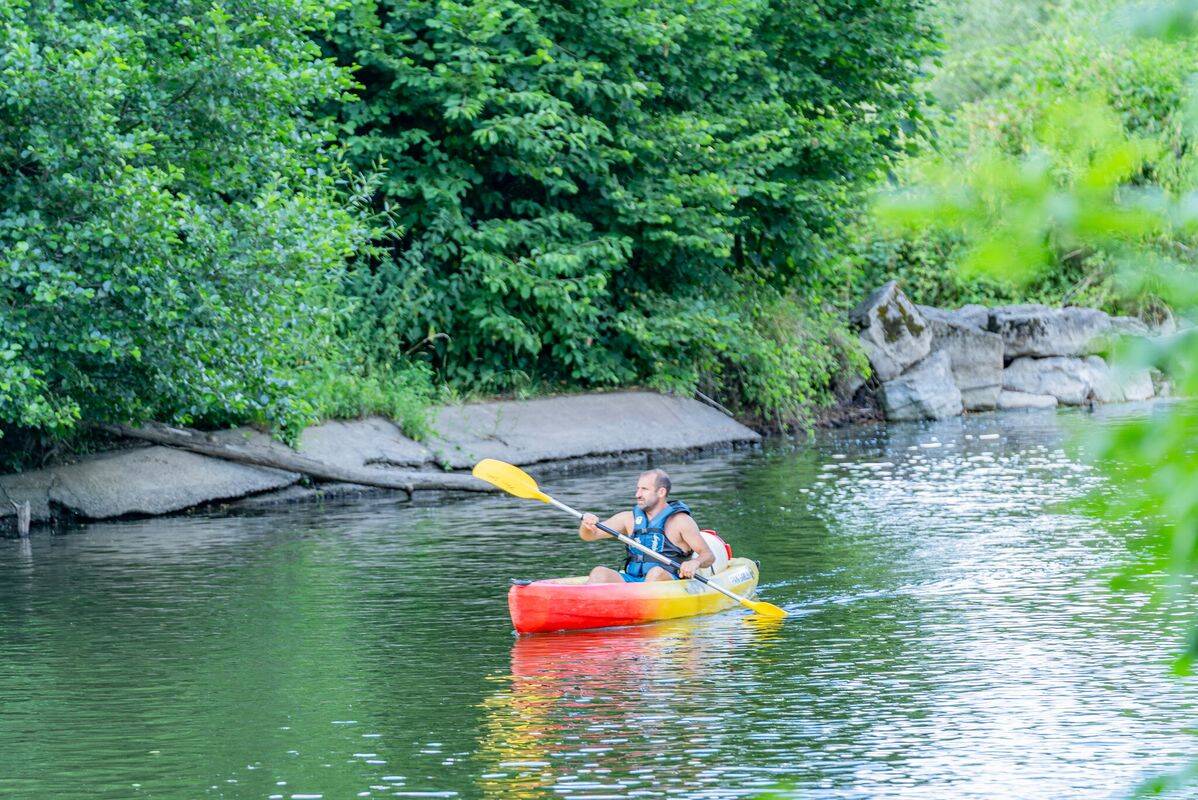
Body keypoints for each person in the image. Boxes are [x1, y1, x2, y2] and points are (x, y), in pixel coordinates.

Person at [579, 468, 714, 583]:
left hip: (668, 583)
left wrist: (694, 563)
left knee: (655, 573)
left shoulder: (681, 521)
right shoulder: (628, 518)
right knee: (599, 573)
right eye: (638, 488)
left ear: (661, 492)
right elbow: (590, 535)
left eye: (644, 489)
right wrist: (587, 524)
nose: (637, 494)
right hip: (632, 579)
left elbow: (708, 555)